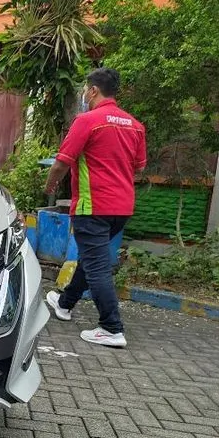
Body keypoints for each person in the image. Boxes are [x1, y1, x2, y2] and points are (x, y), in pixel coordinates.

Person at [43, 68, 147, 348]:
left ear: (92, 90)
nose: (84, 95)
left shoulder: (87, 121)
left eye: (85, 90)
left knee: (98, 265)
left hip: (93, 206)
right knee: (93, 258)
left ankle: (111, 327)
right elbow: (139, 168)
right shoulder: (135, 125)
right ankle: (64, 304)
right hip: (121, 208)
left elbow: (63, 161)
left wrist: (50, 185)